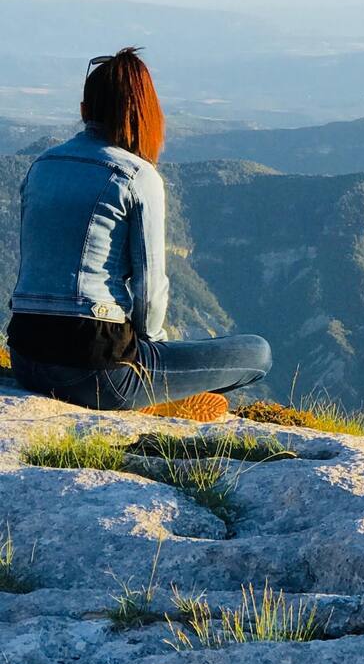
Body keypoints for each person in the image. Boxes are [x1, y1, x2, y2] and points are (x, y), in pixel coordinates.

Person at [7, 47, 271, 420]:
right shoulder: (135, 176)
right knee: (257, 353)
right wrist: (154, 351)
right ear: (146, 116)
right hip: (98, 370)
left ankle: (158, 393)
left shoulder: (42, 166)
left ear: (84, 110)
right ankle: (157, 399)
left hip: (26, 357)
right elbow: (150, 286)